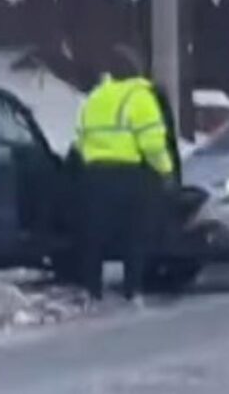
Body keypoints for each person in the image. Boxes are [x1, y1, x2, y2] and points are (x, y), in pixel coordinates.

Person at [74, 45, 175, 302]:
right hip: (129, 174)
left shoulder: (94, 97)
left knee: (94, 235)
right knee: (134, 234)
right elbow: (152, 143)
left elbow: (81, 136)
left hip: (94, 174)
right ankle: (133, 289)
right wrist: (165, 171)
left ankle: (91, 289)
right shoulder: (140, 97)